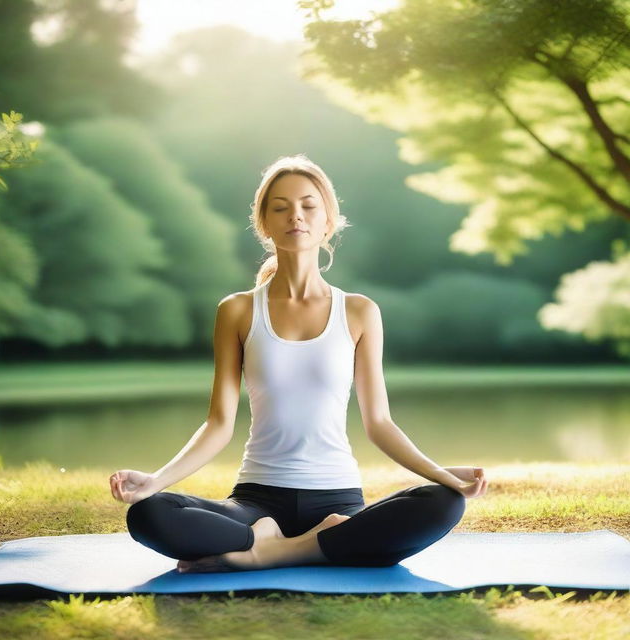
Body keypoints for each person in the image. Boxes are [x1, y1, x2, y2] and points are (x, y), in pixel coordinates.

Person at [109, 154, 488, 573]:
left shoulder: (360, 311)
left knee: (443, 503)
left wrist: (440, 474)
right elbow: (218, 423)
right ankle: (307, 545)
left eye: (309, 205)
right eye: (281, 206)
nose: (296, 216)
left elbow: (379, 423)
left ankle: (279, 551)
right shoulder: (237, 310)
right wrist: (155, 482)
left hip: (338, 499)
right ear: (264, 223)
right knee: (149, 514)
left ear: (328, 220)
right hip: (256, 503)